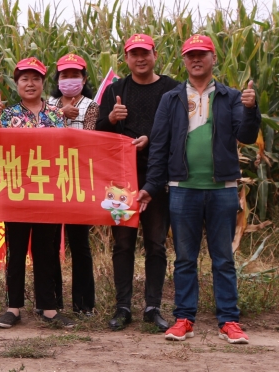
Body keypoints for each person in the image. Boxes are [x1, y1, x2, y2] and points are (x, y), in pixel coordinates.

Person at [139, 34, 261, 344]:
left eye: (202, 54)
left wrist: (251, 109)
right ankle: (184, 319)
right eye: (190, 54)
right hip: (183, 188)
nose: (196, 59)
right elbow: (160, 146)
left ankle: (229, 321)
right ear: (184, 60)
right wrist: (153, 185)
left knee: (222, 258)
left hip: (222, 187)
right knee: (184, 259)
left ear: (213, 58)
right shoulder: (172, 99)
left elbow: (246, 135)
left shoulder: (230, 96)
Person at [95, 34, 179, 332]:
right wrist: (112, 119)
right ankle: (123, 306)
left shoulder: (171, 89)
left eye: (145, 53)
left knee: (156, 243)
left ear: (155, 54)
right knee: (123, 243)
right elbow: (98, 132)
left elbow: (179, 130)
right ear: (126, 58)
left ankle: (153, 306)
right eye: (134, 54)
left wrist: (151, 141)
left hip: (157, 178)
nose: (140, 58)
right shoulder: (116, 90)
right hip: (120, 181)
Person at [0, 57, 74, 329]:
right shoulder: (7, 114)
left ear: (42, 83)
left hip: (48, 192)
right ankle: (13, 307)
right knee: (15, 251)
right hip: (16, 191)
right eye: (24, 79)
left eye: (35, 78)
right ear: (17, 84)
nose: (30, 83)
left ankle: (48, 307)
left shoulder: (56, 114)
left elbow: (66, 149)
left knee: (46, 250)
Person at [45, 53, 99, 316]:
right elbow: (39, 135)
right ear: (58, 79)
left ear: (84, 78)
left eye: (74, 75)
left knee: (80, 243)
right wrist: (58, 114)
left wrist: (61, 120)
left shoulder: (92, 106)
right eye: (64, 75)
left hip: (79, 181)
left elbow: (88, 138)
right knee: (51, 242)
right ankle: (52, 302)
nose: (69, 80)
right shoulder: (48, 104)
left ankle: (84, 304)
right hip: (51, 181)